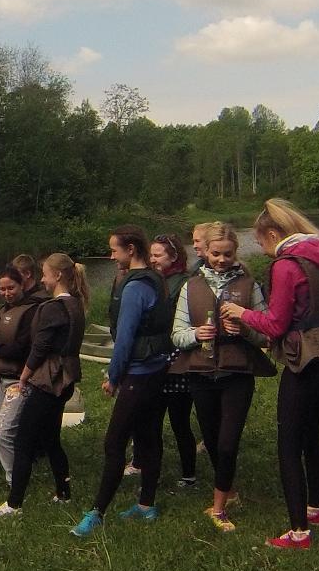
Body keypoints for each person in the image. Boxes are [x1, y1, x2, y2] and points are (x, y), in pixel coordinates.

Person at [220, 198, 319, 550]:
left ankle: (298, 531)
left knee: (288, 444)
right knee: (313, 436)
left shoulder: (286, 266)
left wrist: (240, 313)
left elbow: (275, 324)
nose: (261, 248)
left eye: (260, 242)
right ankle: (316, 507)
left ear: (273, 233)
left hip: (302, 361)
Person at [172, 221, 274, 533]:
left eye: (227, 254)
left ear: (235, 252)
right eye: (216, 253)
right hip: (201, 373)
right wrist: (195, 334)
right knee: (214, 439)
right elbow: (176, 335)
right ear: (205, 252)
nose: (220, 260)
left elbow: (267, 333)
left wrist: (245, 329)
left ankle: (218, 509)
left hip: (236, 372)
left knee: (228, 442)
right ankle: (228, 490)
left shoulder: (249, 285)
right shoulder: (190, 287)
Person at [72, 225, 174, 537]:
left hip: (141, 373)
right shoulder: (157, 278)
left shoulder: (134, 287)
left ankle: (97, 512)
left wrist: (114, 378)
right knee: (148, 436)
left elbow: (126, 339)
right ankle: (147, 505)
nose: (111, 254)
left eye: (115, 249)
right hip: (159, 369)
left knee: (114, 442)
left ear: (131, 250)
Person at [0, 253, 87, 517]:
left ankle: (14, 504)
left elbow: (41, 347)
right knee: (50, 438)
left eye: (44, 274)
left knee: (23, 441)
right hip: (66, 379)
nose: (42, 279)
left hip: (48, 381)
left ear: (57, 276)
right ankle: (64, 493)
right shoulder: (76, 304)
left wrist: (23, 377)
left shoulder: (53, 308)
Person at [146, 233, 202, 490]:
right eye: (151, 255)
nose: (153, 259)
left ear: (173, 256)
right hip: (157, 359)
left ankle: (189, 474)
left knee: (180, 421)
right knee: (153, 420)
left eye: (158, 255)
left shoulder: (184, 282)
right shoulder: (155, 280)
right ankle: (151, 472)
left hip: (178, 359)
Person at [0, 269, 41, 483]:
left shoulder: (30, 312)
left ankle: (14, 480)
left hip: (18, 379)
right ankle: (16, 475)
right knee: (7, 429)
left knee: (4, 433)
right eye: (2, 289)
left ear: (22, 286)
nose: (6, 293)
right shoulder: (3, 310)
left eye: (11, 288)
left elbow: (22, 348)